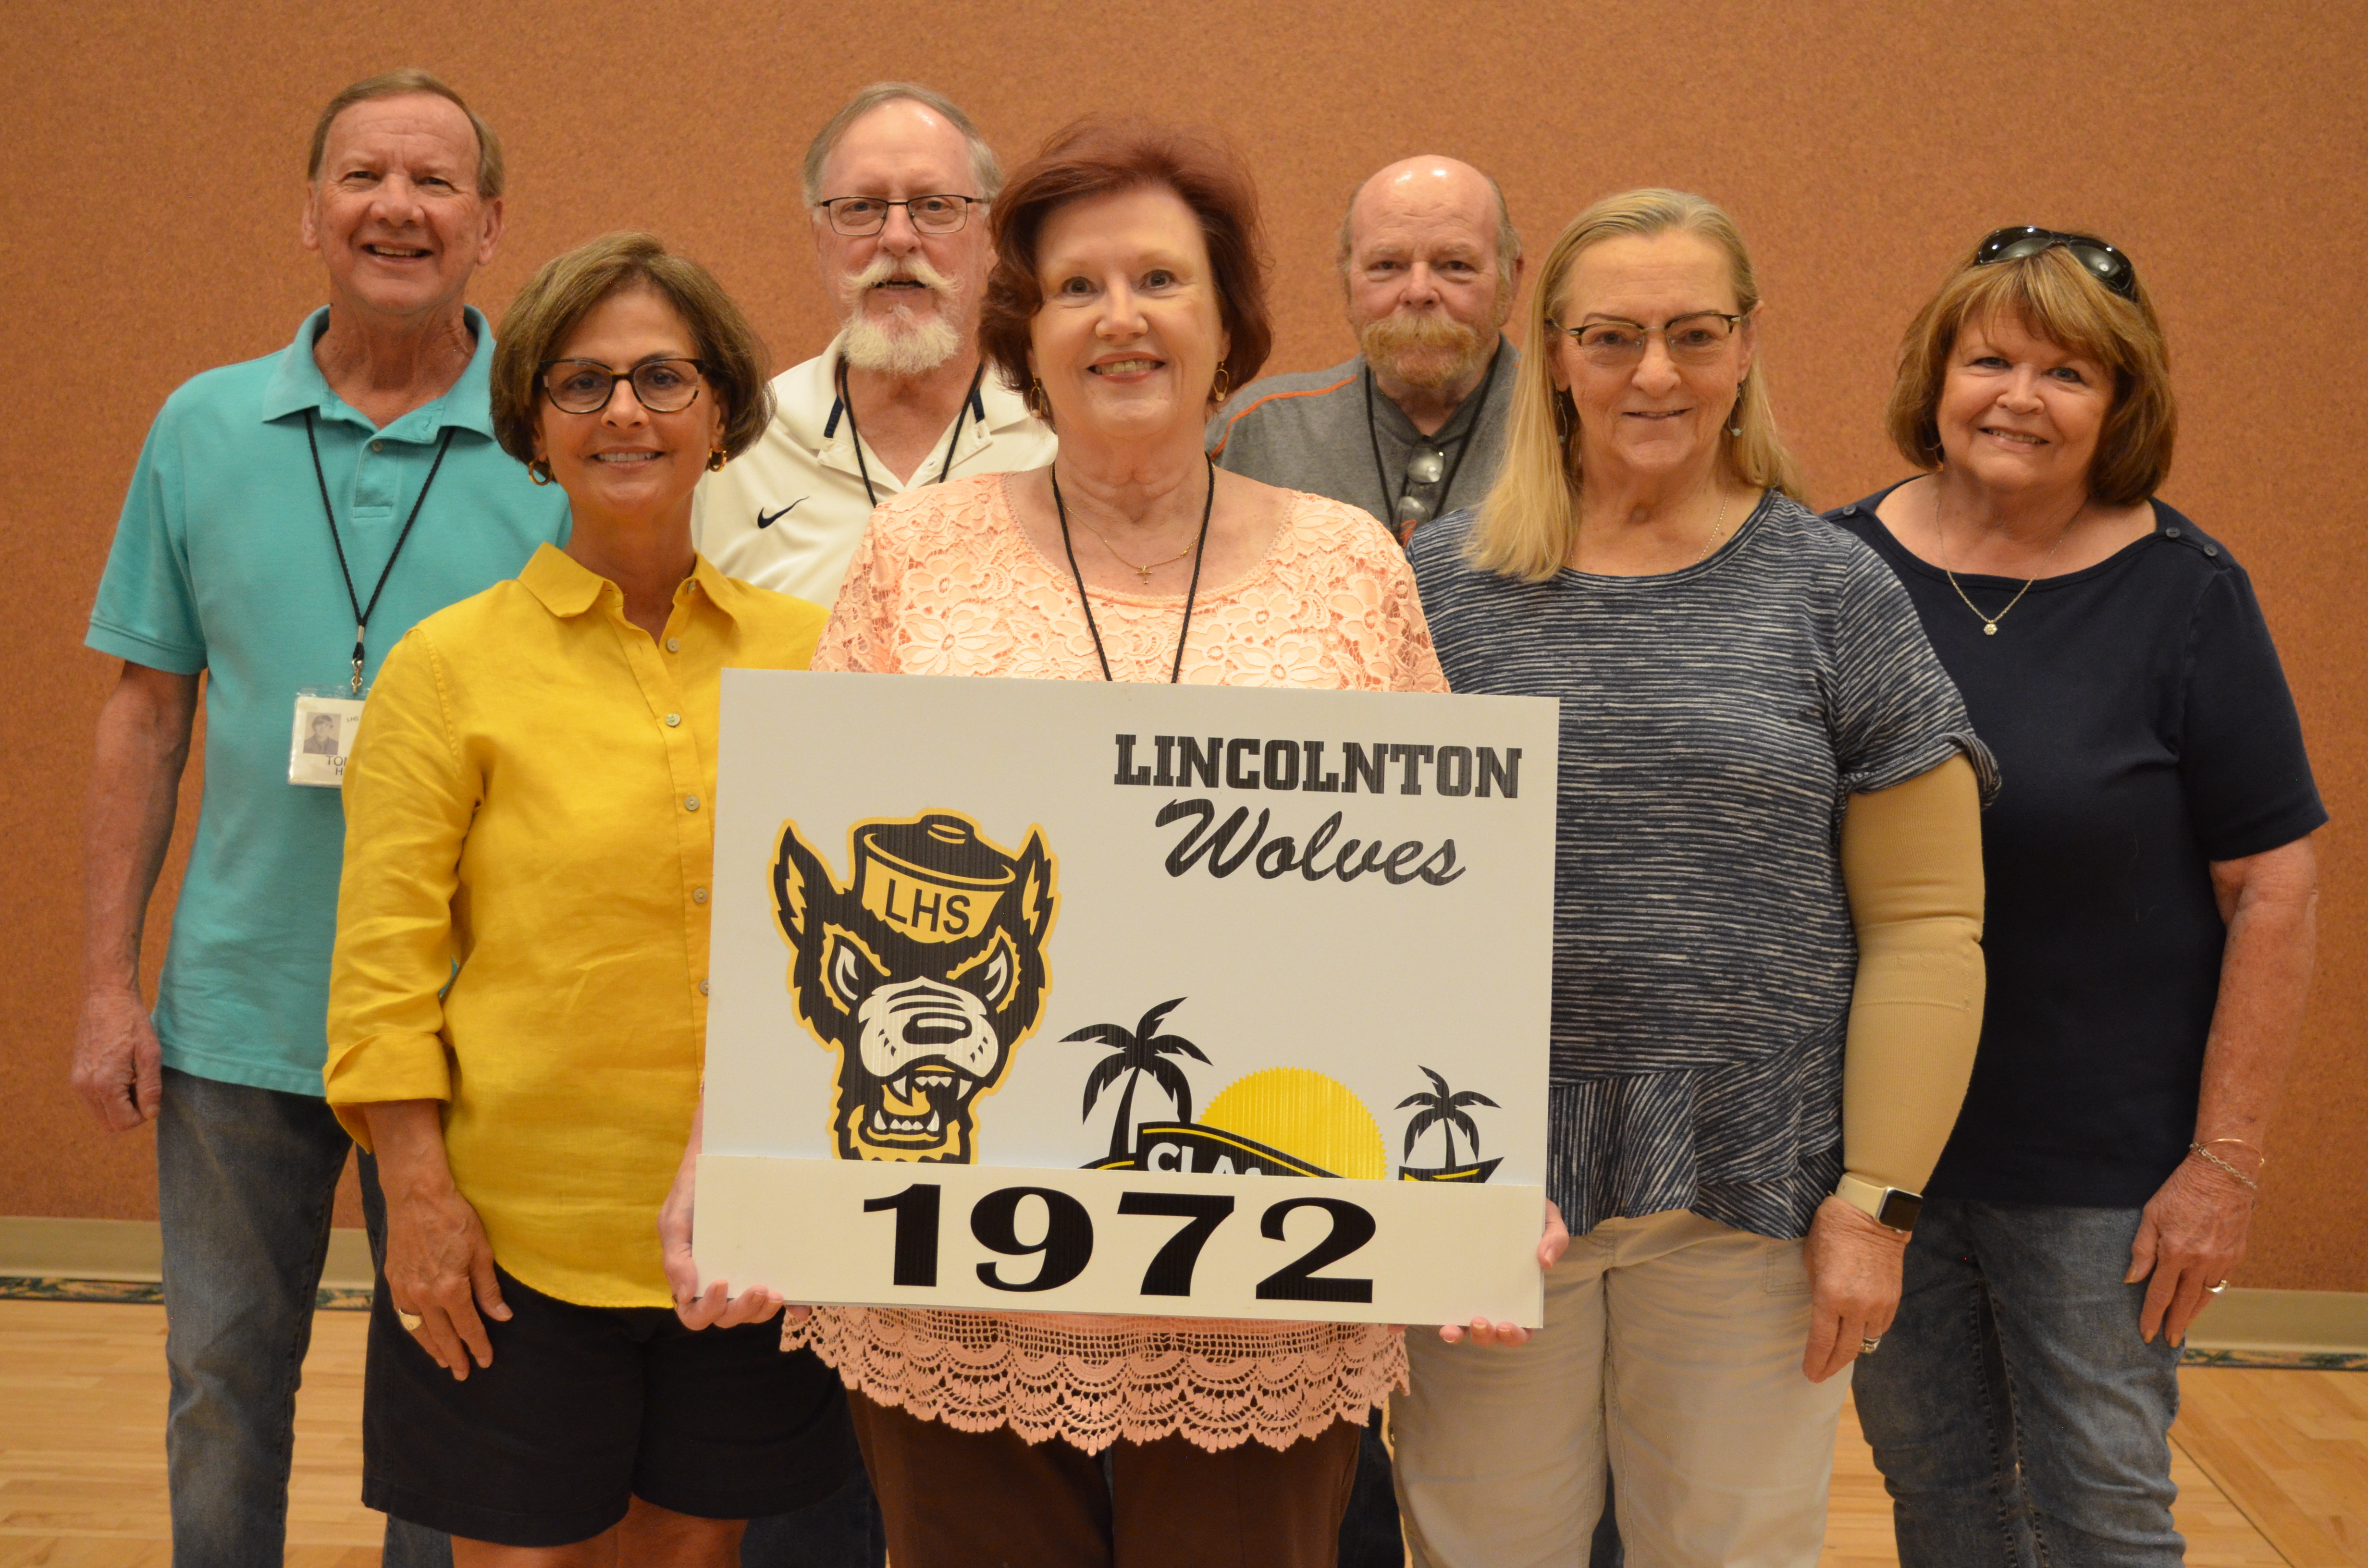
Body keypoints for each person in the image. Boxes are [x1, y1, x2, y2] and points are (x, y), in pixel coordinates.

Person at [667, 115, 1460, 1568]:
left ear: (1228, 323)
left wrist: (1474, 1164)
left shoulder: (1349, 560)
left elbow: (1433, 907)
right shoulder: (917, 555)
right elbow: (802, 876)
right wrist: (730, 1138)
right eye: (1080, 286)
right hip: (950, 1260)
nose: (1121, 317)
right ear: (1029, 330)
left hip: (1260, 1278)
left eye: (1160, 279)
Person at [1394, 188, 1997, 1568]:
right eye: (1611, 337)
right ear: (1551, 352)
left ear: (1745, 347)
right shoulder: (1440, 588)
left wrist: (1877, 1203)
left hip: (1752, 1203)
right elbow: (1364, 914)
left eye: (1693, 333)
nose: (1654, 374)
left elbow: (1929, 928)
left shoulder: (1834, 591)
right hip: (1489, 1195)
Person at [73, 69, 565, 1568]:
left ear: (490, 222)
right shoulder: (202, 425)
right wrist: (108, 983)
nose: (396, 208)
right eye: (363, 176)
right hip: (241, 1009)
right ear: (309, 213)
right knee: (221, 1380)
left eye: (434, 182)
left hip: (470, 1023)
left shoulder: (555, 440)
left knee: (449, 1386)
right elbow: (145, 712)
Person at [324, 233, 856, 1560]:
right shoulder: (447, 670)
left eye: (664, 378)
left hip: (743, 1230)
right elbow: (382, 971)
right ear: (534, 426)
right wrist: (419, 1202)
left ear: (721, 412)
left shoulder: (820, 661)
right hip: (514, 1242)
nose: (625, 410)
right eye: (583, 382)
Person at [1830, 229, 2323, 1568]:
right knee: (1940, 1502)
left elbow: (2272, 888)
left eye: (2068, 373)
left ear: (2124, 404)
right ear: (1937, 374)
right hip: (1880, 1157)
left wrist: (2221, 1165)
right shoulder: (1831, 574)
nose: (2018, 397)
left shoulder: (2189, 597)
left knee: (2103, 1509)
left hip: (2103, 1169)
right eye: (1989, 358)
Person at [691, 82, 1056, 603]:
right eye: (861, 208)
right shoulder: (736, 445)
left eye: (934, 206)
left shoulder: (1063, 437)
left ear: (989, 236)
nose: (898, 237)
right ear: (819, 237)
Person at [1209, 156, 1522, 544]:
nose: (1419, 292)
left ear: (1512, 279)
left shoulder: (1575, 426)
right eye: (1387, 264)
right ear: (1347, 280)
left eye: (1455, 264)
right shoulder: (1258, 432)